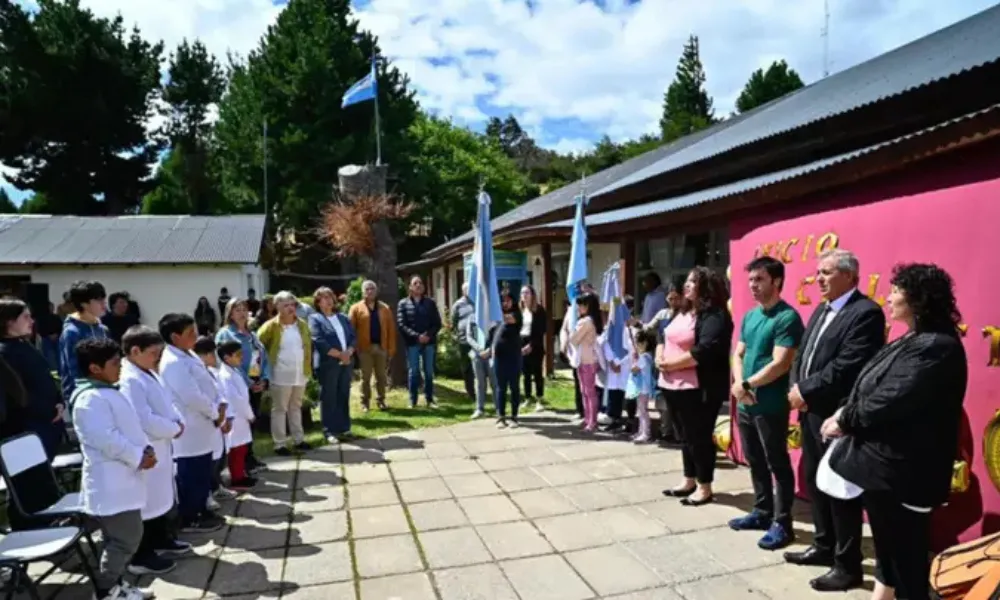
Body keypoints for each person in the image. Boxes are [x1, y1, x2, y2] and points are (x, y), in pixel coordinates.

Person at [825, 263, 967, 600]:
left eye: (895, 292)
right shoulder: (916, 338)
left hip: (906, 471)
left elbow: (892, 399)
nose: (887, 298)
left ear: (917, 300)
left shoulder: (937, 346)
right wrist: (846, 409)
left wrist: (845, 420)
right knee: (888, 548)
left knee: (907, 560)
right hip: (885, 469)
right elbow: (872, 386)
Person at [784, 250, 885, 592]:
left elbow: (848, 366)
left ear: (850, 277)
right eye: (818, 273)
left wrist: (806, 389)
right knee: (816, 483)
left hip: (837, 414)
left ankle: (847, 565)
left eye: (826, 273)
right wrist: (796, 387)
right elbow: (803, 355)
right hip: (811, 411)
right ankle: (823, 545)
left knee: (841, 490)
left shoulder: (865, 313)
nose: (819, 279)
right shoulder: (821, 310)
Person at [71, 337, 157, 600]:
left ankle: (117, 585)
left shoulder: (108, 391)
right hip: (111, 482)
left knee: (122, 538)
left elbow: (128, 427)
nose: (119, 366)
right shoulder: (89, 399)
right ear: (95, 368)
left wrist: (146, 449)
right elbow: (106, 439)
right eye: (113, 362)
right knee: (125, 538)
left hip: (124, 477)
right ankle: (107, 590)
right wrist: (138, 456)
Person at [730, 256, 805, 550]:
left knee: (777, 463)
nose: (753, 285)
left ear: (776, 281)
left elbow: (781, 363)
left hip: (770, 405)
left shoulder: (787, 318)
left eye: (759, 279)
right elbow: (738, 354)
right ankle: (761, 511)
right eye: (751, 280)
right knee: (755, 460)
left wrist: (748, 384)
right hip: (746, 403)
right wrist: (739, 386)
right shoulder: (751, 316)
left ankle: (782, 523)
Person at [658, 267, 733, 506]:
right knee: (684, 436)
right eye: (687, 281)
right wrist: (661, 357)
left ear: (706, 287)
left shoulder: (714, 316)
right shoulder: (683, 311)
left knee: (698, 437)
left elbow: (704, 350)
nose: (687, 285)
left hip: (697, 388)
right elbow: (663, 336)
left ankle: (704, 486)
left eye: (693, 282)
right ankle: (688, 479)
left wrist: (671, 364)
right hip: (671, 384)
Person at [119, 326, 191, 576]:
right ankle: (142, 554)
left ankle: (162, 539)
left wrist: (178, 422)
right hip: (148, 447)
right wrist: (173, 428)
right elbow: (143, 418)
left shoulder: (147, 372)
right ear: (134, 351)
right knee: (147, 503)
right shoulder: (129, 379)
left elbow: (167, 402)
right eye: (153, 354)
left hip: (163, 443)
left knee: (161, 499)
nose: (158, 359)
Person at [159, 313, 226, 534]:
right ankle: (190, 517)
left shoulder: (187, 354)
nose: (196, 336)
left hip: (204, 425)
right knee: (191, 473)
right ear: (175, 337)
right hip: (191, 427)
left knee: (202, 470)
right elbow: (191, 396)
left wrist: (218, 404)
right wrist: (215, 411)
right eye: (190, 333)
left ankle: (201, 510)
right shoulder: (173, 362)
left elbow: (207, 384)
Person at [0, 299, 66, 458]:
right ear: (9, 321)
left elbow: (45, 378)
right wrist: (48, 411)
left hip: (44, 426)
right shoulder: (5, 353)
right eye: (25, 317)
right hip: (25, 431)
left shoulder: (24, 345)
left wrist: (58, 401)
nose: (32, 321)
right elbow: (16, 394)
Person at [216, 298, 269, 474]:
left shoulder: (252, 334)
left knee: (252, 423)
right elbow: (228, 363)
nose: (242, 313)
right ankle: (240, 464)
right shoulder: (225, 334)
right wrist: (249, 383)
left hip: (256, 384)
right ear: (229, 314)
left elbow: (263, 357)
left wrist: (264, 379)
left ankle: (250, 457)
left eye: (244, 309)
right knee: (242, 425)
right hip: (239, 387)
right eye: (237, 309)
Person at [257, 291, 312, 455]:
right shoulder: (271, 326)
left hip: (299, 373)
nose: (290, 308)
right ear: (277, 307)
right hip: (280, 373)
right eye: (286, 305)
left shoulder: (301, 324)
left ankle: (298, 439)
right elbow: (259, 346)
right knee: (280, 408)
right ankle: (279, 443)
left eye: (292, 304)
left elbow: (307, 346)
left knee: (296, 407)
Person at [309, 287, 357, 443]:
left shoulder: (342, 317)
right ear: (318, 302)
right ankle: (329, 431)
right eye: (323, 297)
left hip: (346, 361)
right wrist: (340, 355)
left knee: (343, 393)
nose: (328, 300)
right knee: (329, 396)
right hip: (328, 363)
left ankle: (344, 427)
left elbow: (352, 337)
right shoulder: (315, 318)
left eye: (330, 296)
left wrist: (348, 352)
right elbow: (319, 340)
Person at [194, 336, 233, 507]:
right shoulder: (198, 375)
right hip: (209, 421)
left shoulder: (212, 372)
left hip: (220, 421)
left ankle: (217, 486)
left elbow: (221, 395)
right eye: (210, 354)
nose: (213, 358)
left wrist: (226, 416)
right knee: (209, 461)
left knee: (220, 457)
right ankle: (208, 493)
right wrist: (218, 415)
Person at [59, 280, 110, 408]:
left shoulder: (102, 329)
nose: (104, 304)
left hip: (105, 390)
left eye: (104, 299)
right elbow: (73, 371)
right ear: (84, 303)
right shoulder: (72, 332)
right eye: (99, 300)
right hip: (83, 397)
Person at [350, 280, 397, 412]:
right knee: (365, 377)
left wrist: (391, 348)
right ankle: (364, 402)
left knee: (381, 376)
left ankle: (381, 400)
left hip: (381, 347)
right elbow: (351, 330)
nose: (370, 291)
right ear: (363, 292)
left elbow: (391, 330)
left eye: (372, 289)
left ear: (376, 291)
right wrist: (353, 347)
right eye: (367, 289)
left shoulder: (385, 308)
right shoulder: (356, 308)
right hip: (365, 348)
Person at [397, 276, 442, 408]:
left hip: (429, 342)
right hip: (412, 343)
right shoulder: (403, 303)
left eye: (420, 283)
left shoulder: (430, 303)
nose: (418, 285)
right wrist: (417, 337)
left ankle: (429, 399)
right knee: (414, 371)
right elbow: (401, 324)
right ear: (410, 287)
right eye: (415, 283)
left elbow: (437, 323)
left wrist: (428, 335)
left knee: (428, 371)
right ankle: (413, 400)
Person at [218, 339, 257, 489]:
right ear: (227, 358)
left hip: (241, 417)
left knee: (242, 448)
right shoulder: (226, 376)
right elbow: (237, 399)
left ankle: (241, 474)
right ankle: (237, 478)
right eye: (238, 355)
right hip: (236, 417)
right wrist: (249, 414)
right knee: (236, 449)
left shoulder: (234, 371)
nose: (241, 357)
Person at [485, 291, 523, 429]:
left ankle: (514, 417)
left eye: (507, 300)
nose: (505, 303)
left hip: (513, 357)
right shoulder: (496, 321)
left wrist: (493, 312)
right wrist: (489, 350)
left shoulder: (516, 314)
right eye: (502, 301)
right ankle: (501, 416)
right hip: (499, 358)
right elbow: (492, 338)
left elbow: (509, 319)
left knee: (514, 387)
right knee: (500, 388)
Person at [571, 292, 603, 433]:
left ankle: (592, 421)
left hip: (588, 360)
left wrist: (573, 331)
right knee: (585, 391)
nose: (579, 308)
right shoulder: (589, 320)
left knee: (589, 392)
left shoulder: (586, 322)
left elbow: (574, 339)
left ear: (588, 306)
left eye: (582, 305)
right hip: (584, 359)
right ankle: (588, 418)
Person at [519, 285, 548, 412]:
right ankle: (527, 398)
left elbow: (542, 330)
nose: (524, 295)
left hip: (535, 343)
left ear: (532, 295)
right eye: (522, 293)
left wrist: (531, 345)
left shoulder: (539, 310)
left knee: (537, 373)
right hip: (521, 342)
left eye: (527, 293)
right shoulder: (519, 309)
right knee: (525, 373)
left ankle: (539, 399)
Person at [627, 328, 657, 443]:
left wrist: (633, 363)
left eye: (638, 344)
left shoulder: (644, 357)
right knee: (641, 410)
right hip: (643, 387)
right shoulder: (648, 356)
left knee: (642, 411)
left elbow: (635, 369)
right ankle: (641, 432)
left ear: (645, 343)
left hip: (642, 388)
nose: (637, 346)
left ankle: (645, 433)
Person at [466, 313, 497, 420]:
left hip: (491, 354)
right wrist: (479, 349)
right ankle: (480, 409)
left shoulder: (494, 315)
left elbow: (497, 336)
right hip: (477, 354)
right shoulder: (472, 317)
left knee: (494, 382)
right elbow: (469, 336)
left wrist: (489, 350)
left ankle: (499, 409)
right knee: (480, 383)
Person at [450, 284, 476, 402]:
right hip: (463, 340)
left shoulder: (477, 301)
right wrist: (455, 336)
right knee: (466, 368)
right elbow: (453, 322)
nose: (469, 291)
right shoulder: (458, 304)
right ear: (463, 291)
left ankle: (481, 391)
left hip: (477, 341)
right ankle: (470, 392)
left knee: (479, 367)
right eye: (467, 290)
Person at [558, 299, 584, 421]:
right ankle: (580, 410)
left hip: (587, 353)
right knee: (578, 382)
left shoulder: (589, 312)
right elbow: (564, 329)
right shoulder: (570, 311)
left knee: (588, 385)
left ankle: (590, 412)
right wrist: (563, 346)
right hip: (574, 354)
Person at [37, 302, 63, 370]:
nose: (51, 308)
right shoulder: (41, 317)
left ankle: (60, 371)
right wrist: (48, 335)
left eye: (52, 306)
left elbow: (61, 327)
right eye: (50, 306)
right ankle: (52, 371)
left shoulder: (56, 317)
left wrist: (57, 334)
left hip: (57, 338)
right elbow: (40, 328)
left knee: (59, 355)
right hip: (46, 339)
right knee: (49, 355)